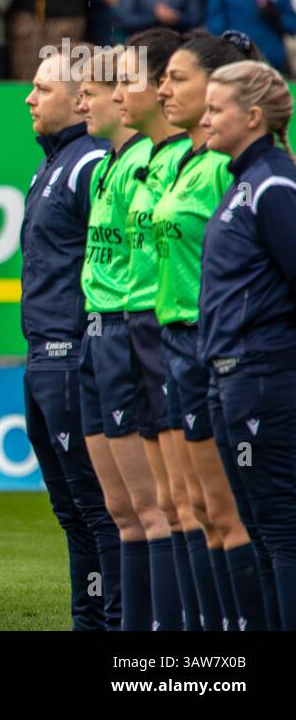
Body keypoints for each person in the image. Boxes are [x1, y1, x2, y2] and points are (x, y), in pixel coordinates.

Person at [154, 31, 274, 631]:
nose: (162, 88)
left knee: (232, 512)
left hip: (224, 349)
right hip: (178, 342)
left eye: (177, 77)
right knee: (198, 507)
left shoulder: (236, 173)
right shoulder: (188, 162)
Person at [74, 51, 185, 632]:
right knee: (123, 510)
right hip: (102, 330)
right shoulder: (106, 165)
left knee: (158, 507)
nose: (90, 101)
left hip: (138, 324)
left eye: (96, 90)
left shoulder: (160, 159)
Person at [110, 28, 214, 630]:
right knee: (174, 505)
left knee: (201, 506)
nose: (124, 92)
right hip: (148, 332)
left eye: (131, 78)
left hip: (184, 333)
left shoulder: (197, 161)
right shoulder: (145, 160)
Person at [21, 50, 121, 631]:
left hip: (72, 356)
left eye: (41, 88)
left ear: (81, 97)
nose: (29, 99)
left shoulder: (90, 164)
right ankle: (90, 620)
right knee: (72, 510)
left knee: (97, 507)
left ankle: (113, 625)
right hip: (40, 357)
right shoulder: (53, 163)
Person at [200, 59, 296, 630]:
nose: (205, 120)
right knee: (260, 526)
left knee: (281, 527)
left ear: (253, 116)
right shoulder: (243, 182)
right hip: (233, 378)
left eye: (216, 109)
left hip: (265, 377)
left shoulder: (275, 183)